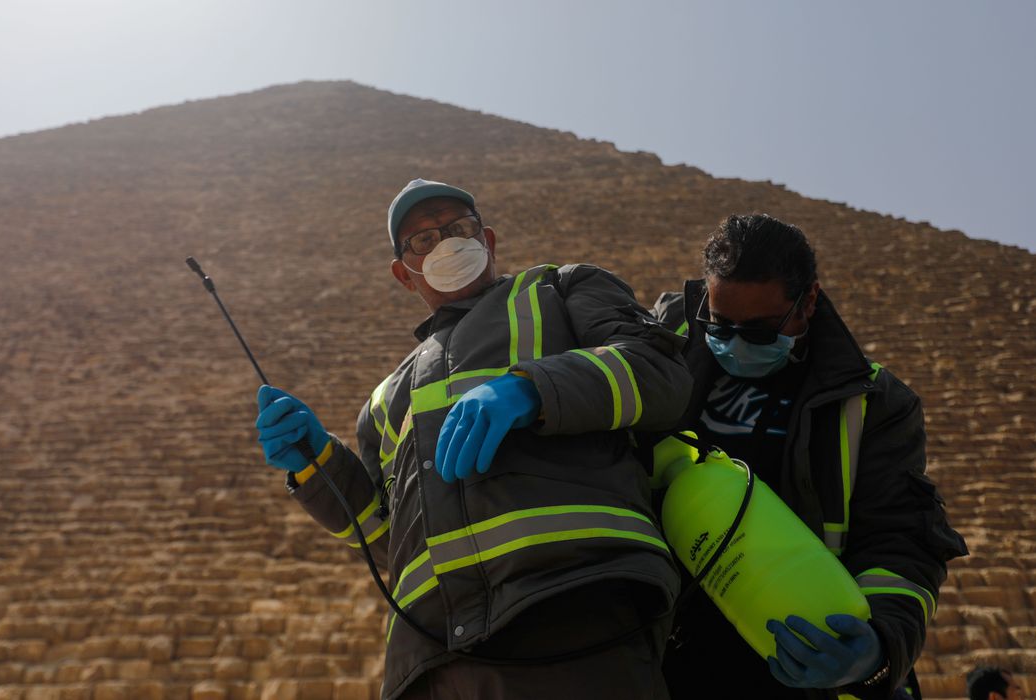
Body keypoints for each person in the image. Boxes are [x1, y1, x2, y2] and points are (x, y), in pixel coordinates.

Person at [253, 179, 693, 700]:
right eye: (422, 239)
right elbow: (384, 538)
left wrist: (531, 388)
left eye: (458, 228)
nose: (445, 242)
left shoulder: (560, 290)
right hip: (430, 656)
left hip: (573, 610)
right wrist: (317, 464)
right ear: (402, 272)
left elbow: (660, 371)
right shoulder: (383, 401)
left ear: (486, 237)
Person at [644, 214, 967, 699]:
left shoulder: (872, 402)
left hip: (790, 664)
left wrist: (878, 645)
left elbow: (901, 537)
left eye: (756, 331)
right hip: (659, 653)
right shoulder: (657, 357)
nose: (732, 341)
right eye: (719, 323)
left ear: (808, 301)